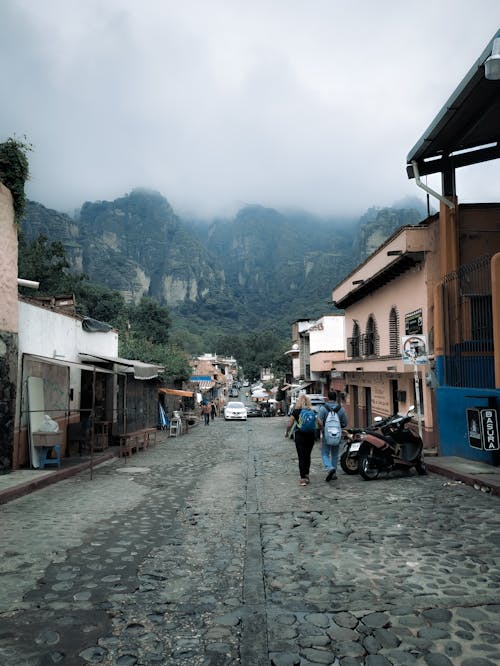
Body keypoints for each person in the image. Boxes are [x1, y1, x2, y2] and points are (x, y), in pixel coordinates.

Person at [284, 394, 317, 487]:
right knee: (307, 455)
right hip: (310, 436)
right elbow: (320, 423)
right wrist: (320, 431)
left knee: (301, 456)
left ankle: (303, 478)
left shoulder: (296, 411)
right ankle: (307, 475)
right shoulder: (312, 411)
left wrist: (287, 432)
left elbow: (290, 423)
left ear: (298, 402)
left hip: (300, 436)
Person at [317, 390, 348, 482]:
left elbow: (319, 421)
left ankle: (329, 467)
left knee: (325, 453)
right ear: (336, 398)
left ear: (328, 397)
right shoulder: (341, 409)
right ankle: (334, 473)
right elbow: (345, 423)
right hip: (337, 434)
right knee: (335, 453)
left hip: (326, 434)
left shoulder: (323, 408)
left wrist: (322, 428)